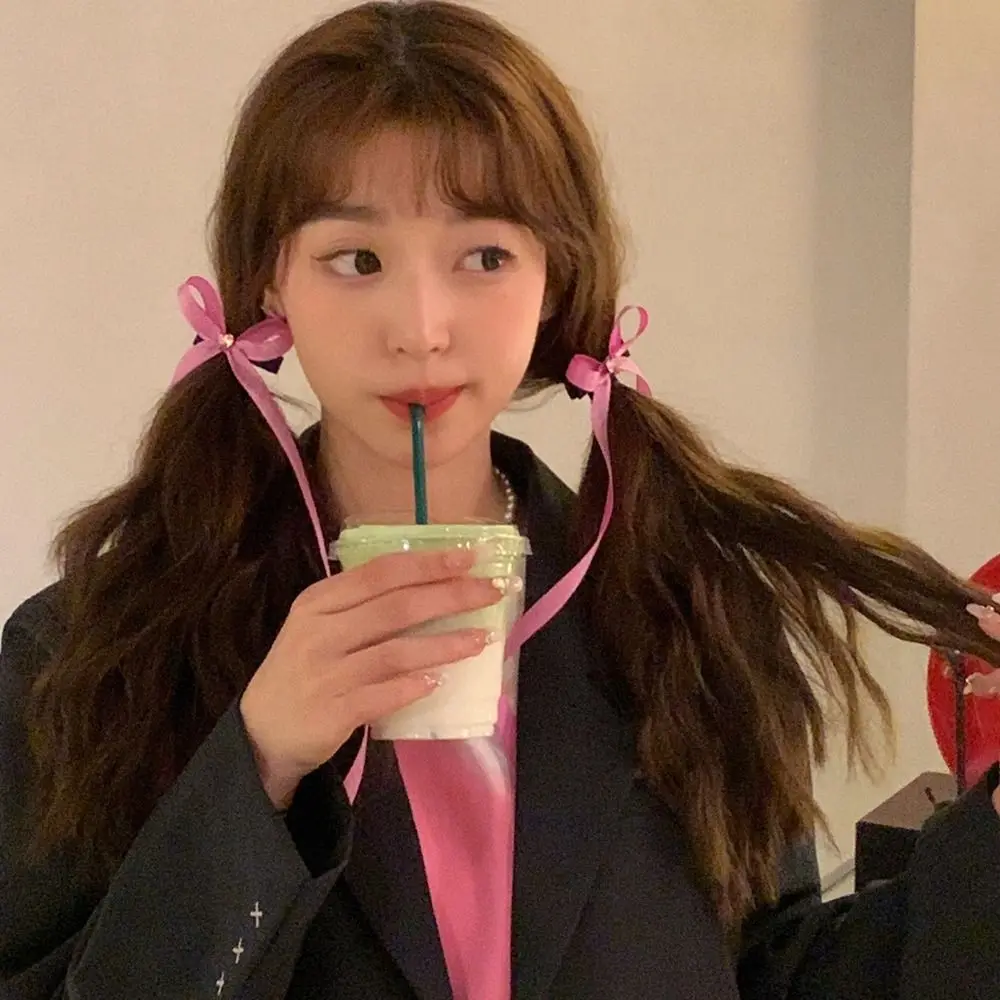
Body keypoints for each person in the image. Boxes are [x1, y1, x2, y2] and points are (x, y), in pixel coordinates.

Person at [1, 2, 999, 998]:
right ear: (271, 281)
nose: (421, 327)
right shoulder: (88, 656)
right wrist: (255, 764)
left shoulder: (687, 614)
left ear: (552, 278)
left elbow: (765, 972)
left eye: (484, 256)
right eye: (356, 260)